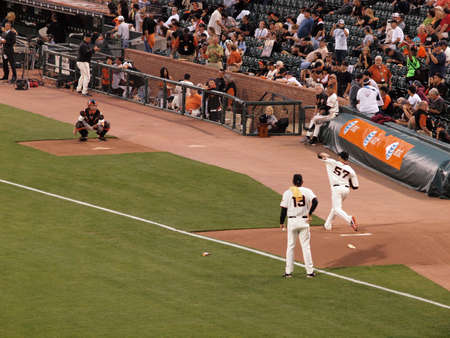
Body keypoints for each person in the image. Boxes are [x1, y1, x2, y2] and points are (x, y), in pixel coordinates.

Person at [280, 174, 318, 278]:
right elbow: (315, 201)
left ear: (293, 181)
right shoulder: (307, 191)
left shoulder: (288, 193)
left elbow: (283, 209)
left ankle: (288, 272)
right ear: (302, 181)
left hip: (292, 222)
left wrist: (281, 222)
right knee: (306, 247)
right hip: (304, 221)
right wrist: (310, 213)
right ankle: (310, 272)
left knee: (290, 246)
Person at [318, 151, 359, 232]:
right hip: (346, 190)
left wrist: (323, 154)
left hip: (337, 189)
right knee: (335, 207)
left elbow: (320, 156)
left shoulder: (333, 162)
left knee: (337, 209)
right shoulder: (351, 170)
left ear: (340, 157)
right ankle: (327, 225)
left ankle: (349, 219)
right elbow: (355, 186)